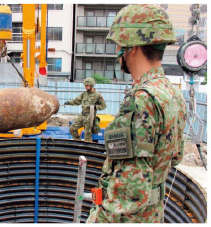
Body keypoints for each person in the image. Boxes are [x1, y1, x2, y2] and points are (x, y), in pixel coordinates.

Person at [87, 4, 187, 223]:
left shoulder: (140, 100)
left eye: (119, 45)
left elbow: (129, 191)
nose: (117, 53)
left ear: (131, 47)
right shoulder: (173, 94)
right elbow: (176, 156)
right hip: (153, 214)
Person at [64, 77, 106, 142]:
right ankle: (79, 142)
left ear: (92, 85)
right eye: (85, 86)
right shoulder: (84, 94)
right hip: (82, 116)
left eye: (87, 86)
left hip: (90, 117)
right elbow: (76, 101)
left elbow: (103, 106)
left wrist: (95, 107)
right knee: (72, 128)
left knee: (87, 137)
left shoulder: (97, 95)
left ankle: (87, 149)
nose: (86, 87)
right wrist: (69, 103)